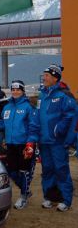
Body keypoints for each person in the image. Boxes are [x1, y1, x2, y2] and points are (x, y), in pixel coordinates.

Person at [0, 80, 39, 209]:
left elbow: (34, 127)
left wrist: (30, 144)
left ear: (22, 91)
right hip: (10, 144)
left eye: (18, 89)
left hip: (24, 144)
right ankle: (26, 191)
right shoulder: (7, 107)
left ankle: (23, 197)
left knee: (24, 171)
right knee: (12, 171)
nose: (15, 92)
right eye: (13, 90)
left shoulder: (28, 107)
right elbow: (4, 123)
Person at [37, 64, 76, 212]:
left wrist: (58, 128)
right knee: (47, 169)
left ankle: (66, 200)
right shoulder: (42, 95)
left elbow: (71, 115)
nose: (44, 78)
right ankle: (50, 198)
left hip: (57, 141)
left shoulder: (63, 95)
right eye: (44, 75)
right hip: (44, 140)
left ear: (55, 78)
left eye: (47, 75)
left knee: (61, 169)